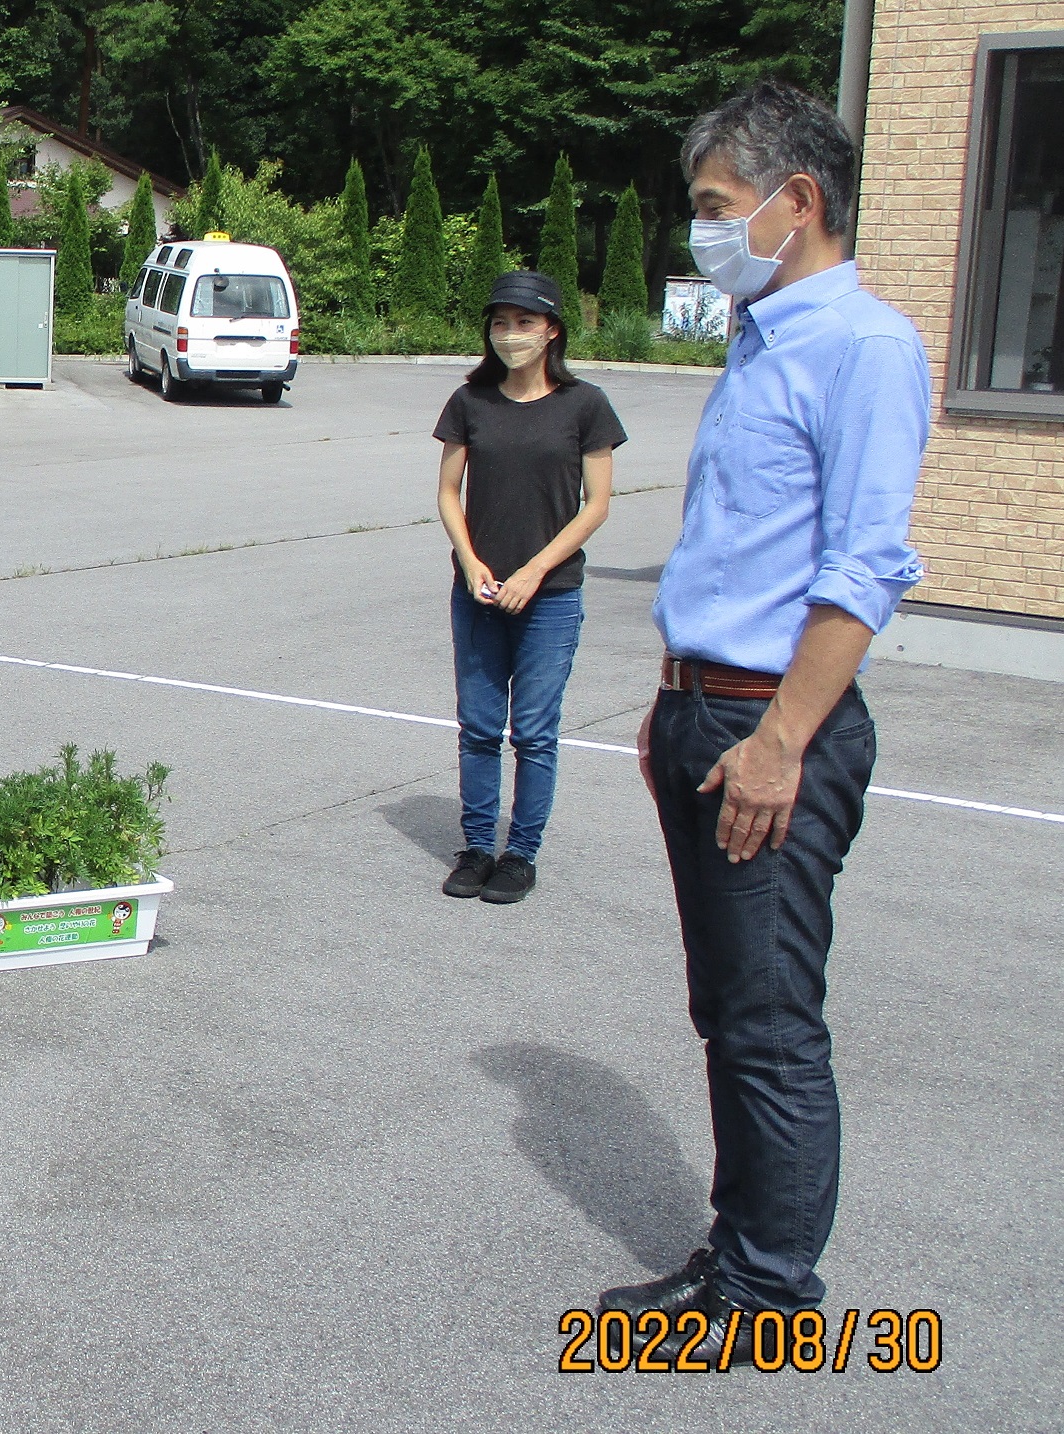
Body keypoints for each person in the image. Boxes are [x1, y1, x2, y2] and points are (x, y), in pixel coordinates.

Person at [596, 80, 927, 1362]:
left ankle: (770, 1291)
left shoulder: (865, 348)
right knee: (728, 1009)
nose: (704, 231)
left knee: (770, 1019)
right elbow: (738, 553)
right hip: (706, 710)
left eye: (717, 205)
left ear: (800, 200)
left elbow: (863, 570)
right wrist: (672, 701)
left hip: (773, 726)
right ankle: (743, 1244)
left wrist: (779, 741)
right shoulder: (763, 337)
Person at [433, 271, 625, 904]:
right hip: (480, 594)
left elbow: (596, 505)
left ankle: (520, 855)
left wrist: (534, 571)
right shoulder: (470, 402)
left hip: (551, 596)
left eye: (524, 323)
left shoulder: (585, 405)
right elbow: (448, 492)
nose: (510, 334)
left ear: (551, 331)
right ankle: (476, 848)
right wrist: (469, 562)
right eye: (500, 323)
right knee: (479, 728)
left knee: (535, 733)